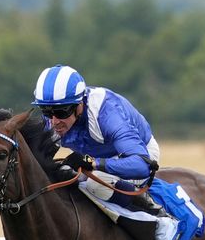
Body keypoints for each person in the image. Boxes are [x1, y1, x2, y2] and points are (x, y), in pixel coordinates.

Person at [32, 64, 163, 215]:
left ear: (79, 105)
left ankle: (150, 208)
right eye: (46, 112)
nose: (54, 121)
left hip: (139, 154)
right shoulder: (54, 118)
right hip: (99, 156)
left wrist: (92, 162)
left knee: (95, 184)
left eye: (61, 112)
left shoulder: (107, 115)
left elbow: (141, 166)